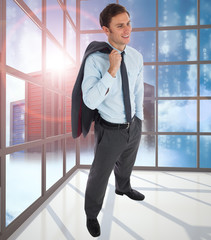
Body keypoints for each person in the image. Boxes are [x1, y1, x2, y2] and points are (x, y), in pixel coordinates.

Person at [80, 3, 145, 237]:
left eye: (128, 23)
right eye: (120, 26)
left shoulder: (137, 57)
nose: (127, 29)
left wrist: (139, 121)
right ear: (105, 30)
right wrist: (111, 71)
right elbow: (89, 101)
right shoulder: (96, 60)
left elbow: (137, 91)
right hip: (110, 130)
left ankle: (123, 188)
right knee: (99, 174)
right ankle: (91, 213)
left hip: (133, 125)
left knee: (126, 164)